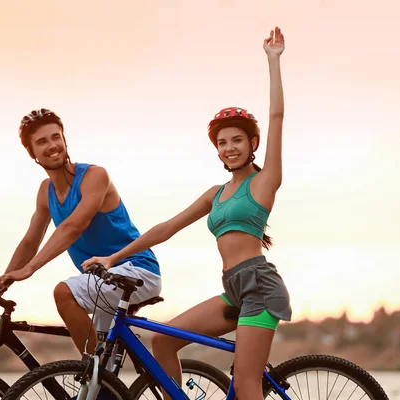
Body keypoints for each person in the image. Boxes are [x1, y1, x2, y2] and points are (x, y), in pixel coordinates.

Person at [82, 27, 291, 400]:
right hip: (233, 291)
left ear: (252, 143)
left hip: (259, 287)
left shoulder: (263, 183)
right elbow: (166, 229)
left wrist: (273, 61)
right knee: (161, 340)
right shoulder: (216, 194)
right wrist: (113, 258)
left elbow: (276, 116)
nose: (229, 148)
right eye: (222, 143)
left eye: (237, 140)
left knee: (245, 385)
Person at [0, 108, 162, 356]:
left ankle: (98, 377)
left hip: (136, 270)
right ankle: (104, 385)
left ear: (65, 140)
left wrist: (31, 268)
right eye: (42, 141)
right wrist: (2, 283)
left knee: (64, 293)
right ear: (32, 153)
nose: (52, 145)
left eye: (56, 137)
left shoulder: (95, 176)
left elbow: (73, 227)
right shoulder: (45, 192)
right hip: (106, 280)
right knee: (103, 357)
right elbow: (31, 241)